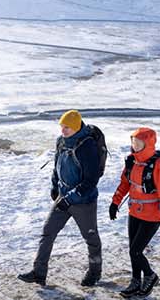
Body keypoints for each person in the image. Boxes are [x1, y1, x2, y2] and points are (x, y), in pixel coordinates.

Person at [21, 111, 109, 286]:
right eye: (61, 126)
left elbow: (91, 180)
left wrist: (71, 197)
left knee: (90, 238)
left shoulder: (87, 146)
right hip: (63, 198)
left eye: (66, 127)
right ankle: (39, 272)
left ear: (76, 127)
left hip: (83, 201)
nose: (63, 130)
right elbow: (57, 166)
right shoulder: (61, 141)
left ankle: (94, 272)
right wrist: (55, 187)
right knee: (48, 232)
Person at [108, 127, 160, 297]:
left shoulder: (158, 164)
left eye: (138, 143)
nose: (134, 146)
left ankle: (150, 276)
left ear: (148, 144)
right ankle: (135, 281)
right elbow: (125, 184)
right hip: (134, 212)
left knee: (135, 251)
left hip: (152, 216)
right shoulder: (132, 161)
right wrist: (115, 202)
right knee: (133, 249)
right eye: (133, 142)